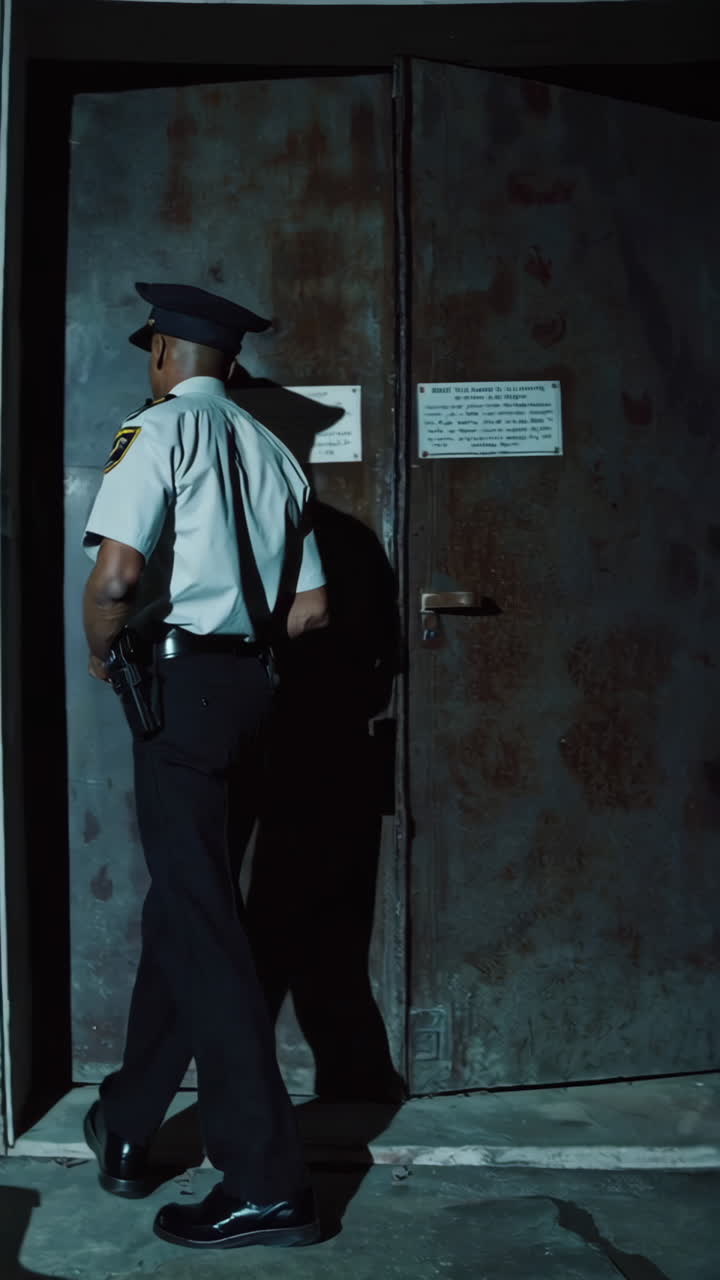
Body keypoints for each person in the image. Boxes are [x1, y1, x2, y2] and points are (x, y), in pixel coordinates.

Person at [80, 281, 328, 1250]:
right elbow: (311, 613)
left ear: (160, 356)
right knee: (184, 907)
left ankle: (267, 1179)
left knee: (205, 925)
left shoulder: (156, 434)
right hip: (254, 698)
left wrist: (105, 651)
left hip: (178, 694)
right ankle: (131, 1123)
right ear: (231, 361)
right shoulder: (276, 450)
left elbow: (117, 576)